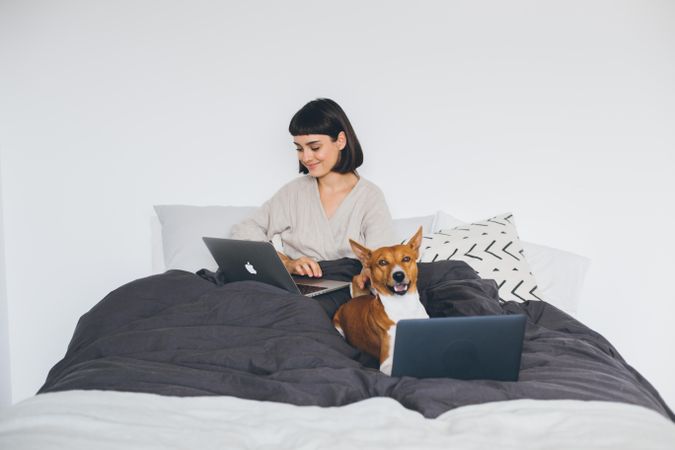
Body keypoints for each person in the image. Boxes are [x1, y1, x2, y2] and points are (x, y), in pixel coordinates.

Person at [230, 98, 396, 291]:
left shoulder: (369, 197)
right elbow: (244, 230)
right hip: (294, 286)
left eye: (315, 147)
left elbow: (382, 261)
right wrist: (285, 262)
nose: (306, 157)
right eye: (299, 149)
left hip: (341, 288)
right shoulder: (294, 192)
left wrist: (367, 275)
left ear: (340, 141)